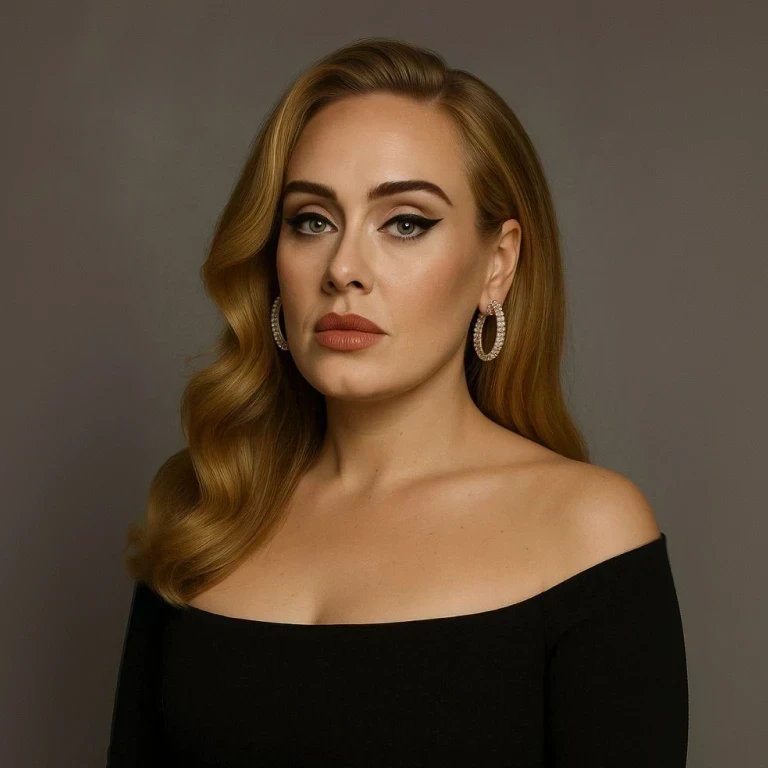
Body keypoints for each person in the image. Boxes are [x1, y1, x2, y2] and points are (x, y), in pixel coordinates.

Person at [106, 36, 689, 767]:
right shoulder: (209, 510)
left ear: (497, 264)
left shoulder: (588, 529)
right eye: (311, 220)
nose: (344, 268)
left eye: (405, 222)